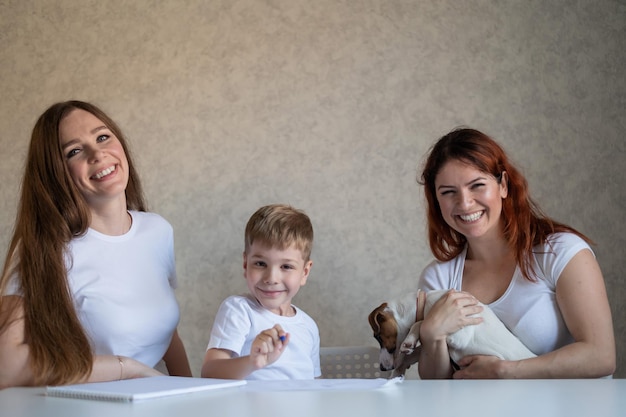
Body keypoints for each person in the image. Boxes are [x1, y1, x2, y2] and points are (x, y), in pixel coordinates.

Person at [0, 100, 192, 388]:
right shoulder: (42, 249)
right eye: (74, 151)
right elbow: (7, 368)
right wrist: (125, 368)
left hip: (152, 402)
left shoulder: (157, 230)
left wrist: (192, 391)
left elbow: (164, 332)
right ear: (55, 173)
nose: (97, 153)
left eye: (103, 137)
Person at [416, 127, 616, 379]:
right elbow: (437, 389)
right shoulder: (438, 279)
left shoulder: (561, 252)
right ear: (436, 200)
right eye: (448, 192)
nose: (465, 203)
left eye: (477, 185)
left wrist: (507, 371)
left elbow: (601, 357)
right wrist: (431, 335)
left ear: (503, 185)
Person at [201, 204, 321, 380]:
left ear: (304, 272)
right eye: (260, 264)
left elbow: (316, 383)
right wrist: (253, 362)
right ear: (245, 264)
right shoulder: (239, 310)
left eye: (286, 266)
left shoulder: (308, 326)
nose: (271, 278)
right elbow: (210, 372)